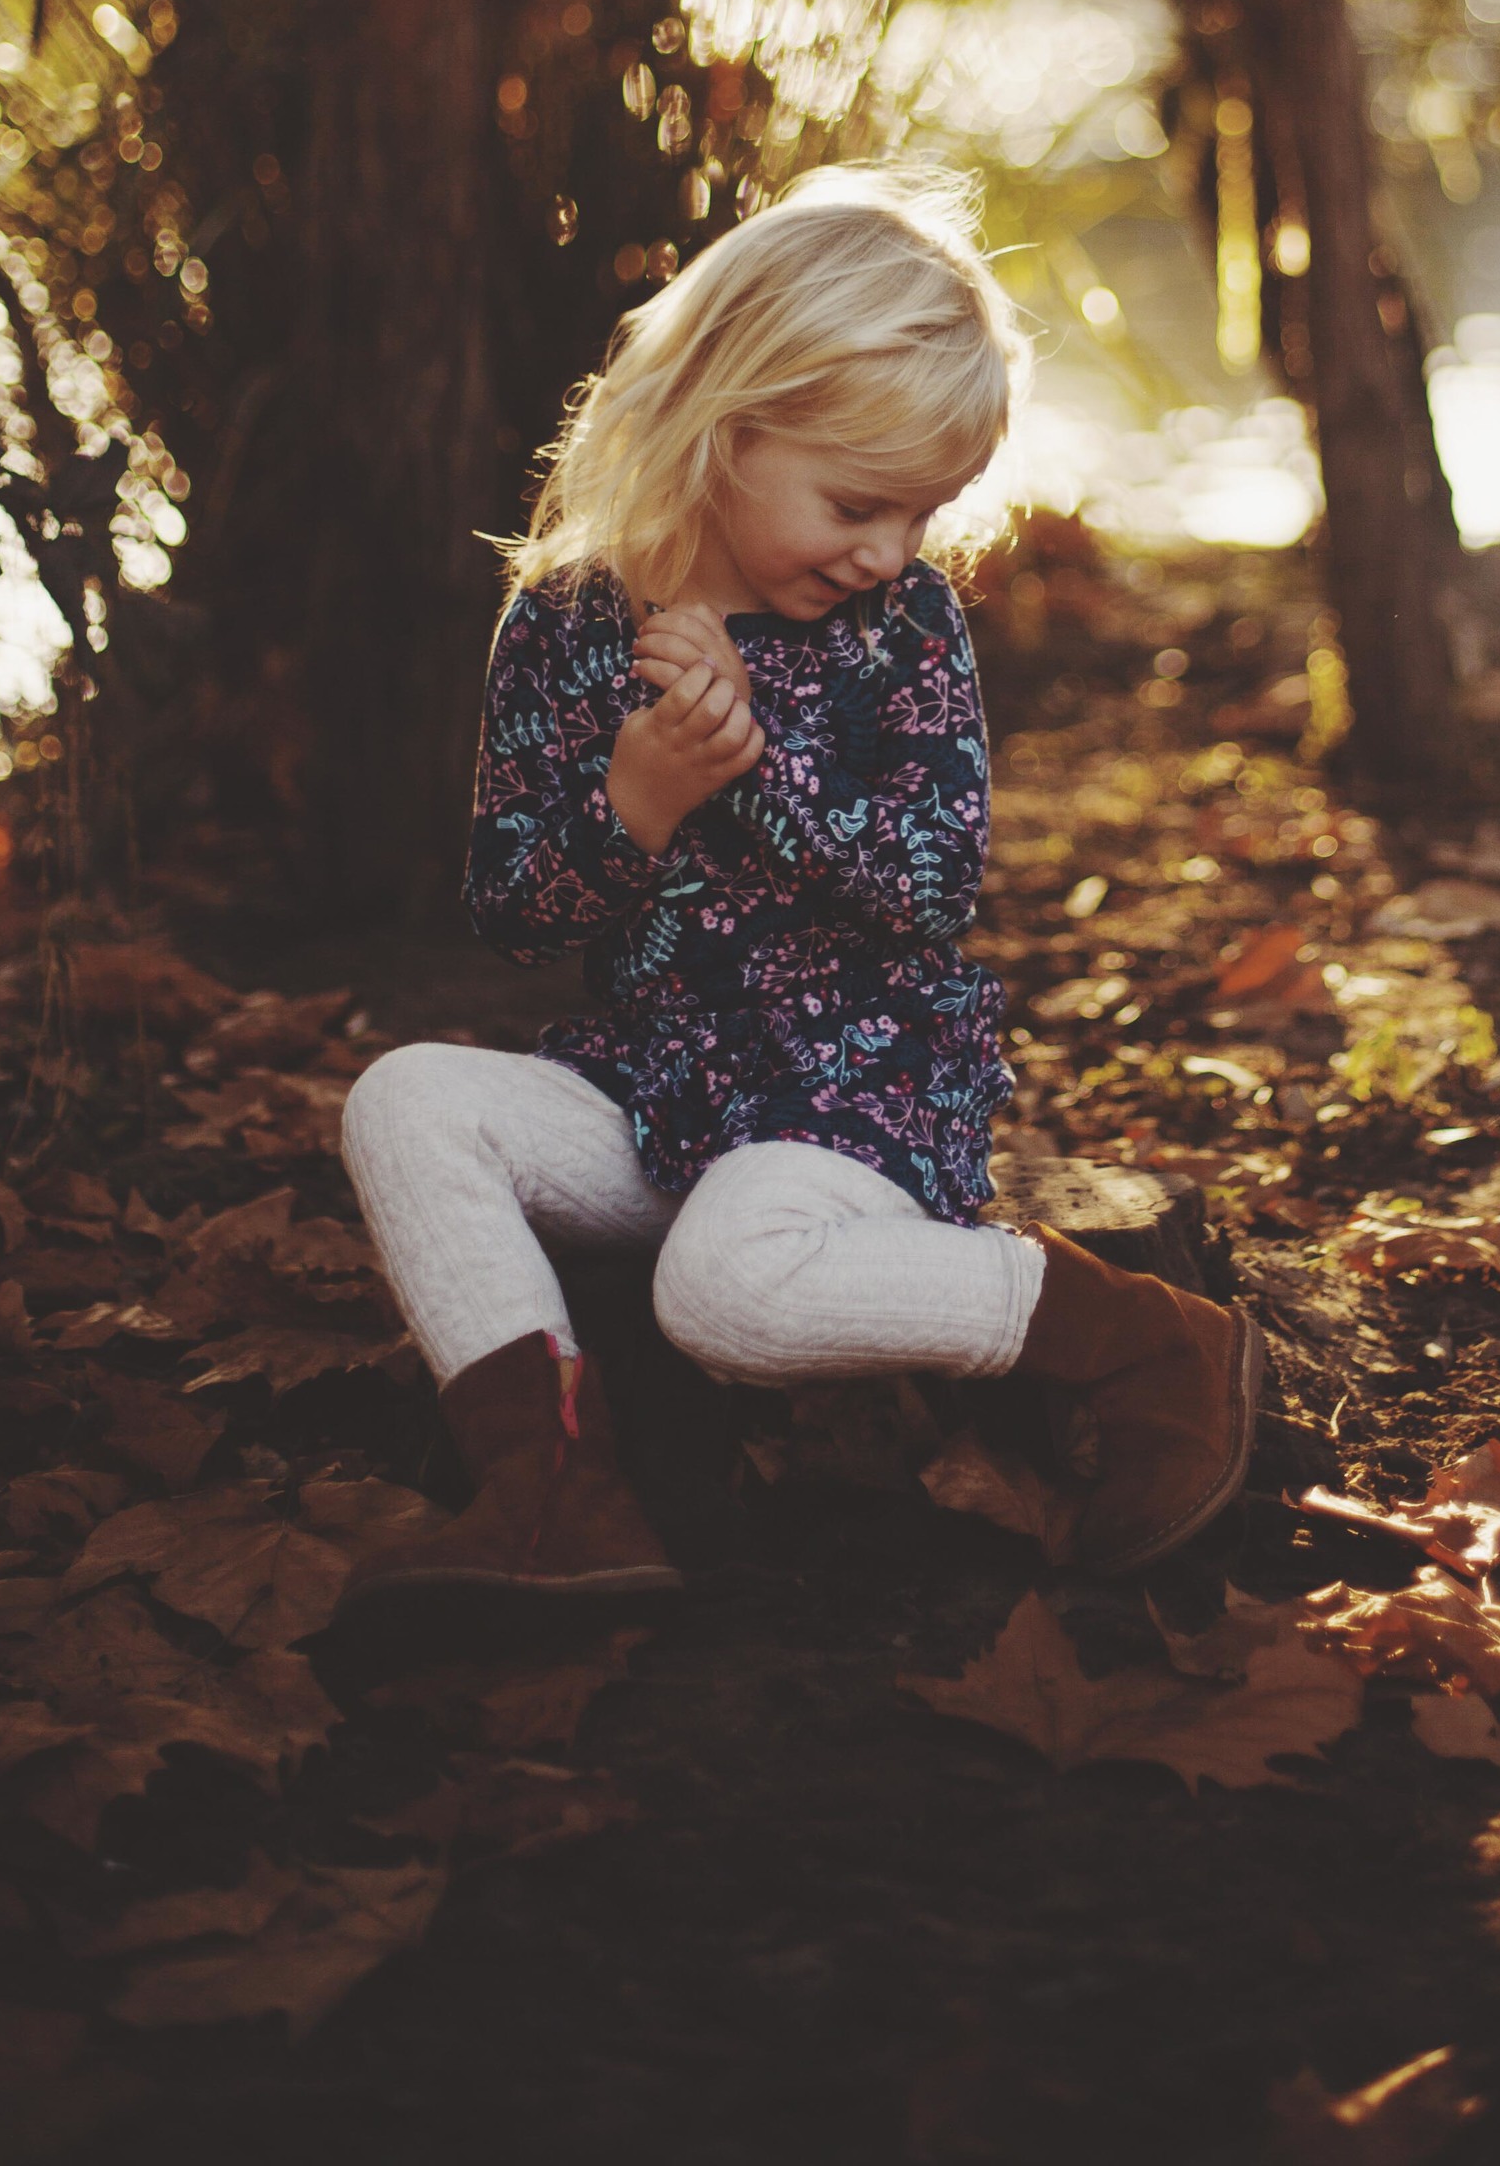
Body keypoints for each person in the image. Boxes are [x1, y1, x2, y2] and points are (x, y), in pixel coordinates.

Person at [333, 166, 1265, 1624]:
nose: (889, 548)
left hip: (857, 1098)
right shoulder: (573, 619)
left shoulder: (907, 629)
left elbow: (935, 882)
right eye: (856, 502)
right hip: (654, 1092)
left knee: (719, 1291)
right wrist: (635, 800)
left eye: (923, 512)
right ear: (725, 419)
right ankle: (553, 1494)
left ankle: (1145, 1339)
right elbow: (515, 912)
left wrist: (749, 773)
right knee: (403, 1099)